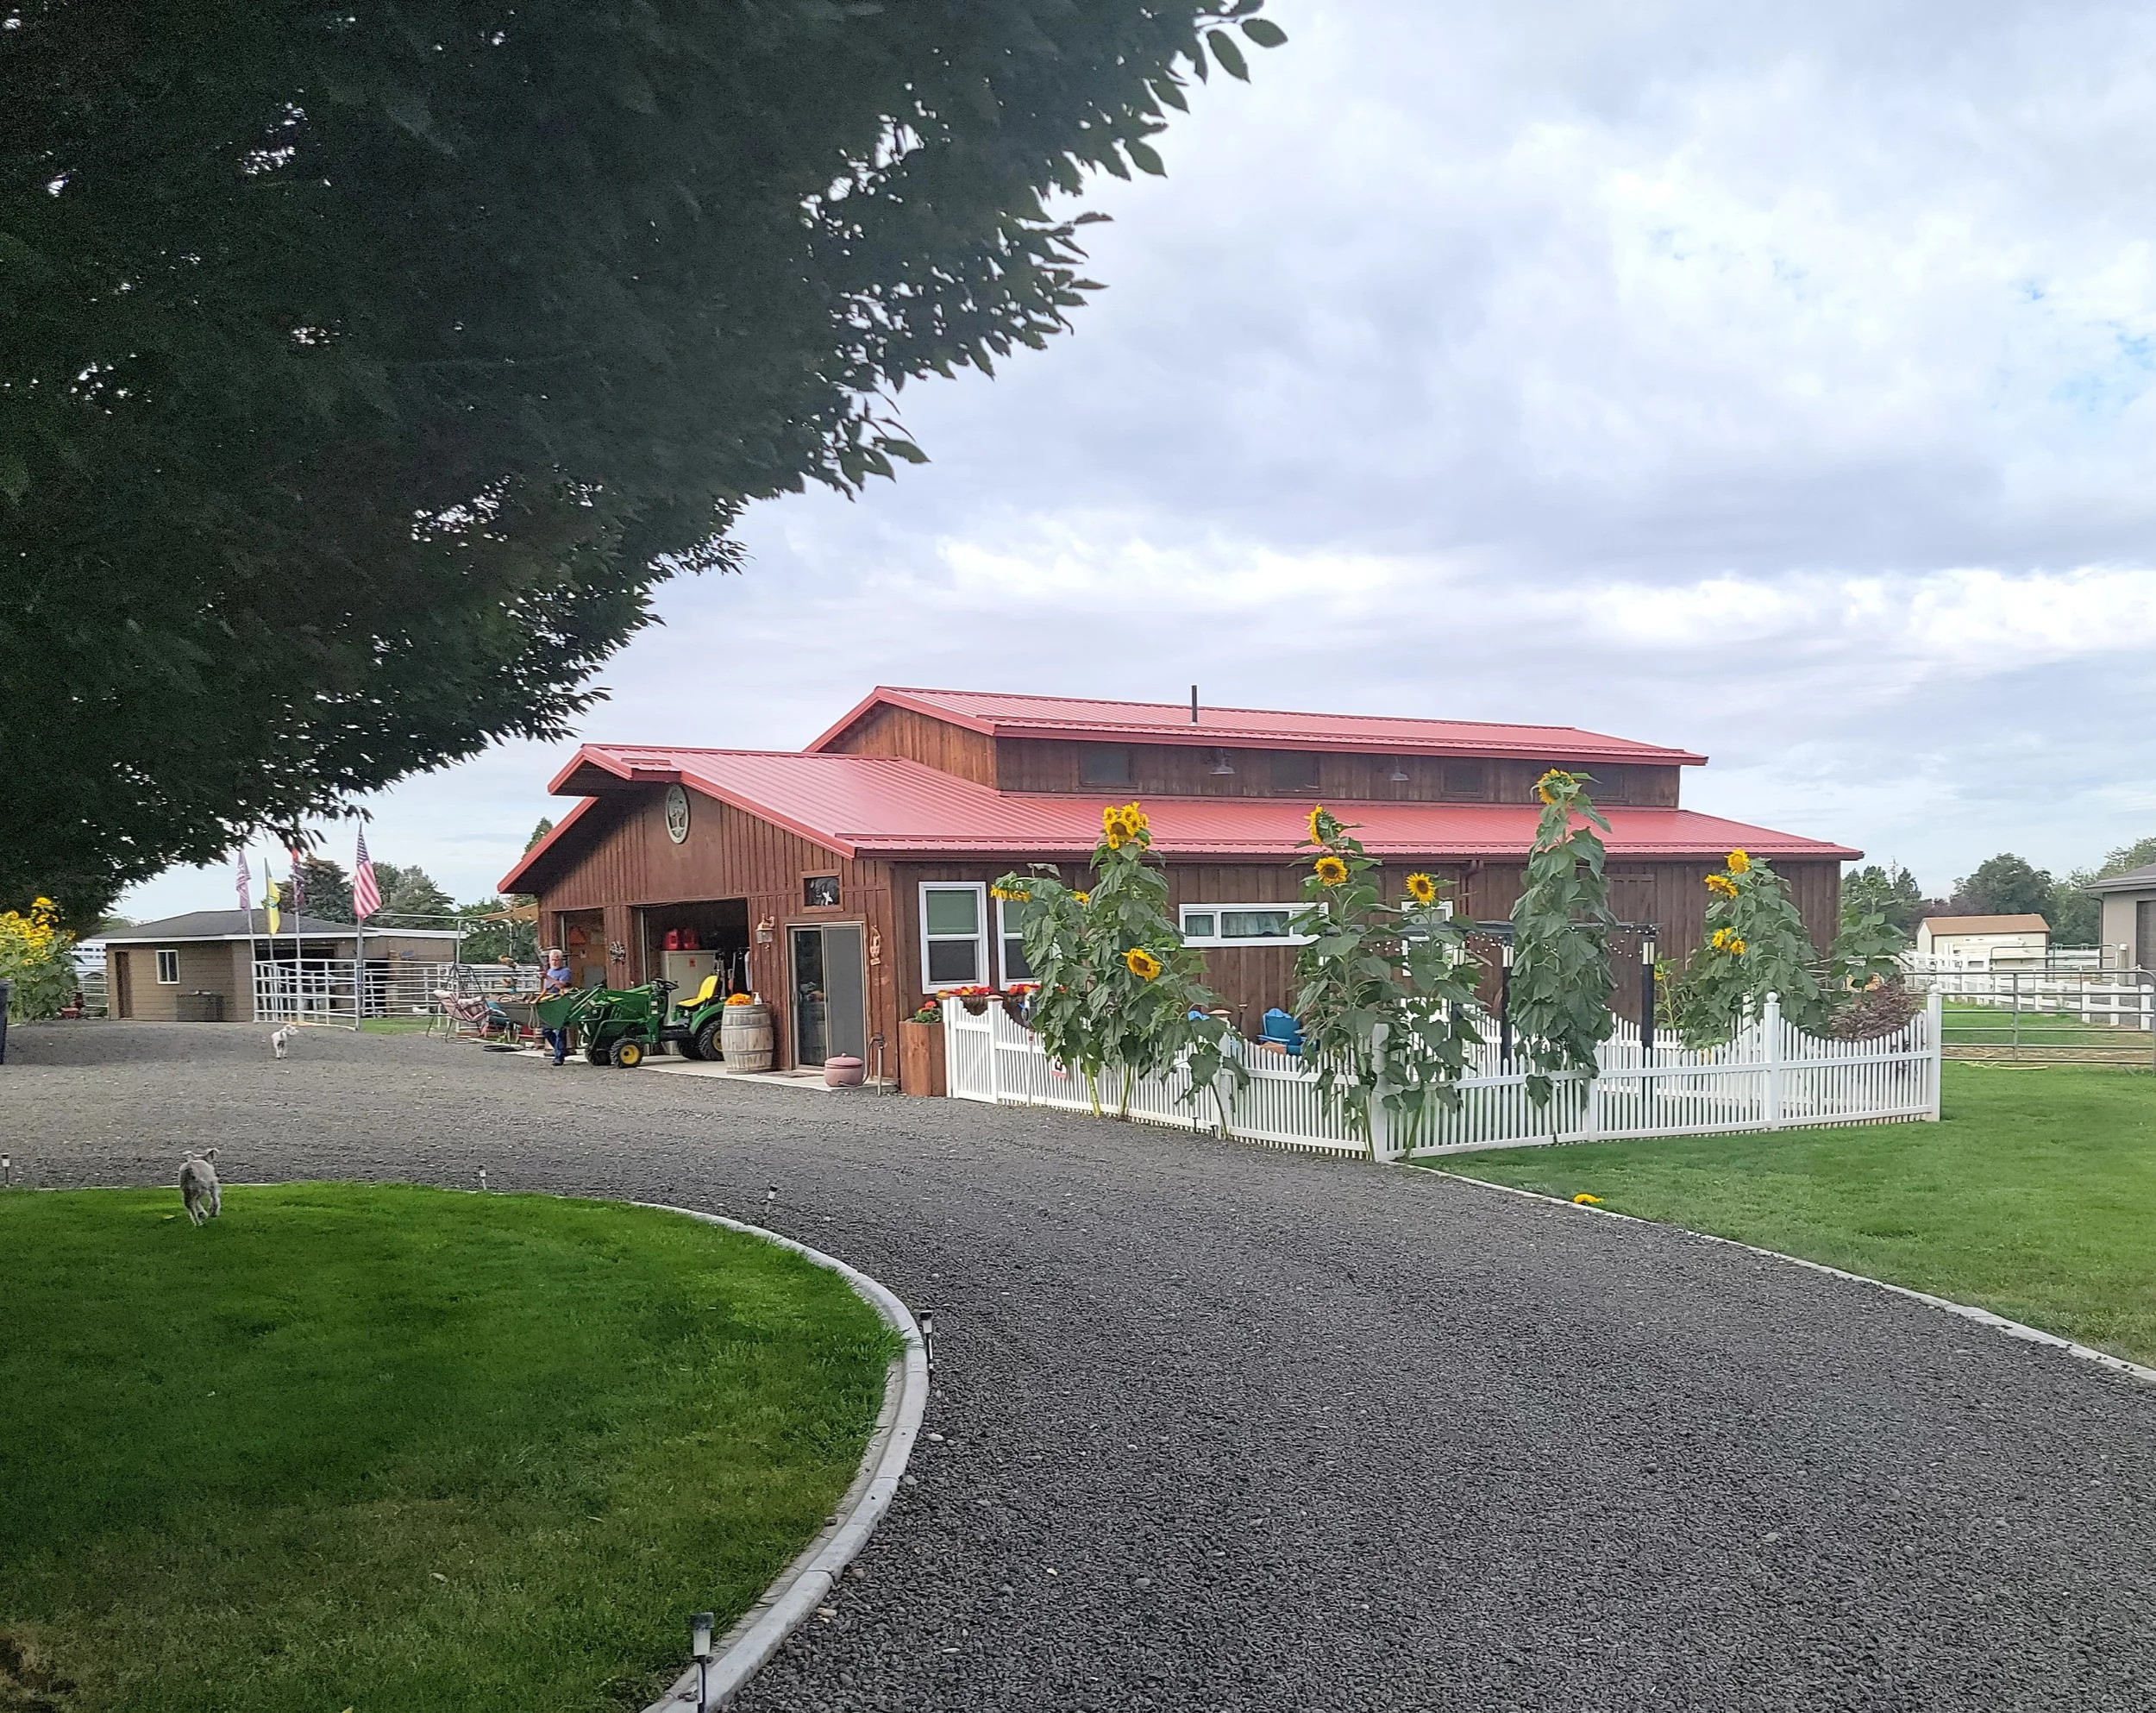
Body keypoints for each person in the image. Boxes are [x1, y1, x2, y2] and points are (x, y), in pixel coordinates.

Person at [538, 948, 573, 1064]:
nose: (555, 962)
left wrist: (547, 978)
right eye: (553, 960)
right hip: (548, 1002)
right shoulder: (549, 971)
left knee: (559, 1031)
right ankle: (560, 1050)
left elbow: (562, 986)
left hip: (560, 1002)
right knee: (546, 1031)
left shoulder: (565, 971)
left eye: (557, 960)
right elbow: (545, 988)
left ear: (561, 960)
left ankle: (559, 1057)